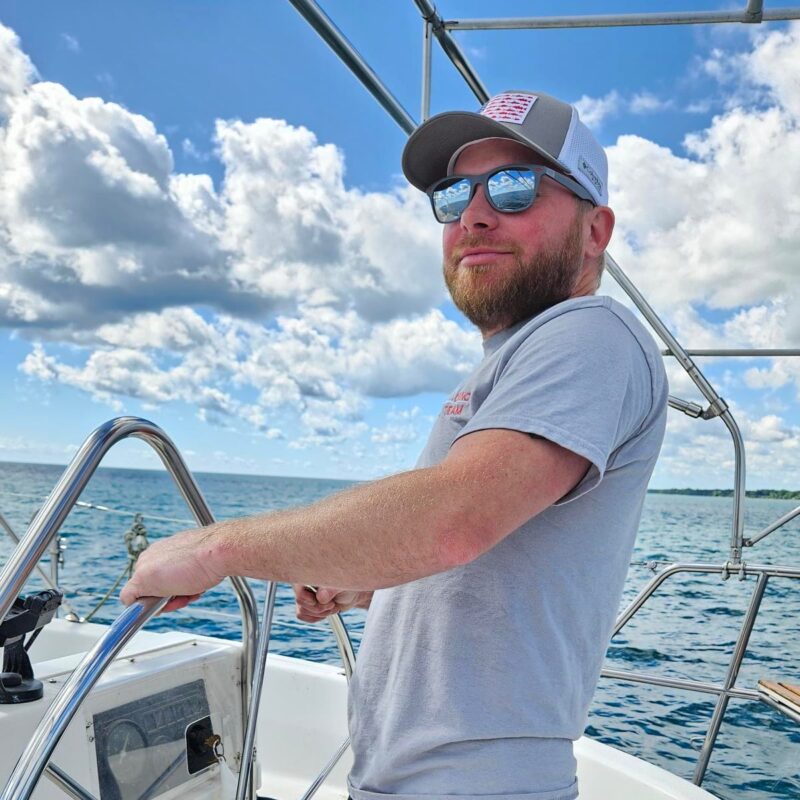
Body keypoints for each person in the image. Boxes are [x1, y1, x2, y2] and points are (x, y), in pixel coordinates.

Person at [121, 89, 668, 800]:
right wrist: (372, 585)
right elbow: (492, 556)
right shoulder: (516, 362)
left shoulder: (593, 333)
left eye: (513, 187)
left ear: (596, 230)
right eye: (454, 194)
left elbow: (455, 518)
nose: (474, 213)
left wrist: (212, 548)